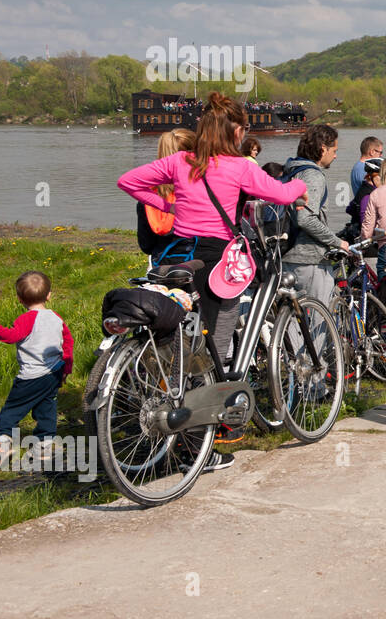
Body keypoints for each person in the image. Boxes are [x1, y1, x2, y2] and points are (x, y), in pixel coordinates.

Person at [118, 93, 308, 472]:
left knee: (185, 348)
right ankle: (198, 446)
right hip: (217, 264)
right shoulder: (239, 166)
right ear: (236, 130)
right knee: (216, 351)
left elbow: (127, 181)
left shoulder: (178, 161)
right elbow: (282, 193)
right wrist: (301, 190)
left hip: (180, 259)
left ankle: (177, 423)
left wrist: (168, 206)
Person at [0, 271, 72, 471]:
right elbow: (68, 343)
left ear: (20, 299)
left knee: (11, 411)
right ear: (49, 295)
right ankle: (44, 445)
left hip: (31, 376)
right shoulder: (56, 318)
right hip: (54, 372)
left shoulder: (26, 320)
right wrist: (66, 369)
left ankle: (2, 443)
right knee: (46, 408)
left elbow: (11, 336)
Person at [284, 124, 348, 308]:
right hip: (309, 261)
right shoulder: (313, 175)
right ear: (323, 149)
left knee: (294, 323)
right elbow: (305, 218)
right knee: (319, 322)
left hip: (287, 255)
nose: (335, 155)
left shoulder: (292, 170)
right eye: (334, 150)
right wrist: (337, 242)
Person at [136, 128, 196, 262]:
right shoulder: (204, 189)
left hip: (163, 265)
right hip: (200, 264)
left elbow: (146, 245)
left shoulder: (148, 195)